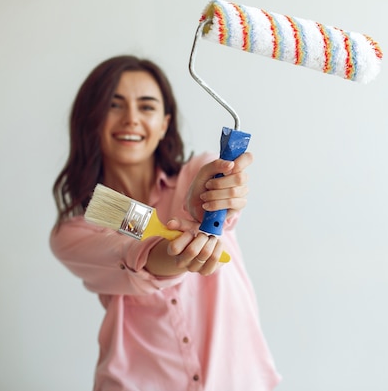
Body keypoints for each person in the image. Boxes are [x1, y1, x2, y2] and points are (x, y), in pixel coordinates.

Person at [50, 55, 281, 391]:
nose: (131, 119)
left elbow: (222, 211)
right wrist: (177, 255)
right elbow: (139, 258)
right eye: (114, 106)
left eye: (146, 107)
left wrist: (209, 201)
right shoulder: (74, 233)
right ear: (91, 120)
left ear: (164, 123)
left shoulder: (198, 172)